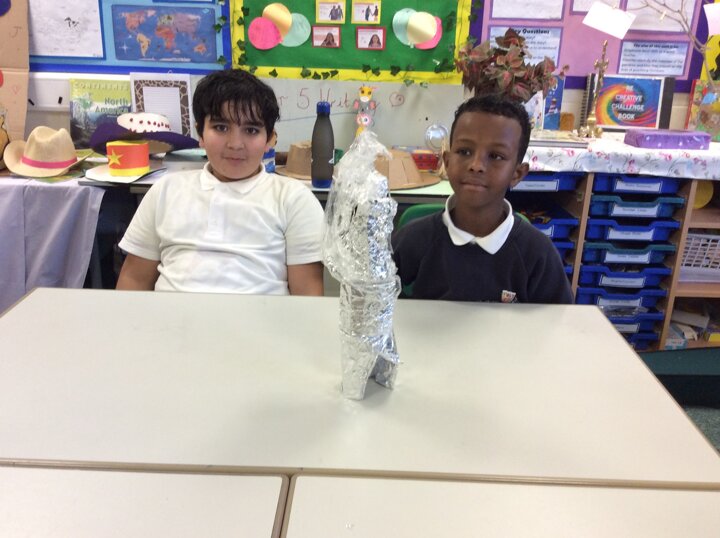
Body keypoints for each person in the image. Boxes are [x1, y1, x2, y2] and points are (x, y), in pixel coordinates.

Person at [116, 69, 325, 296]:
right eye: (221, 128)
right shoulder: (165, 191)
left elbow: (308, 296)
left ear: (270, 139)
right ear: (200, 133)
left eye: (251, 130)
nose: (235, 144)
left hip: (260, 317)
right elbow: (134, 280)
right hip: (171, 316)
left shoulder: (294, 199)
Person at [391, 94, 573, 304]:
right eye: (464, 151)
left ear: (517, 174)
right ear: (447, 162)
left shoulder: (538, 254)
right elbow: (372, 296)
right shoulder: (414, 239)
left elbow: (561, 319)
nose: (476, 165)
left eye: (496, 156)